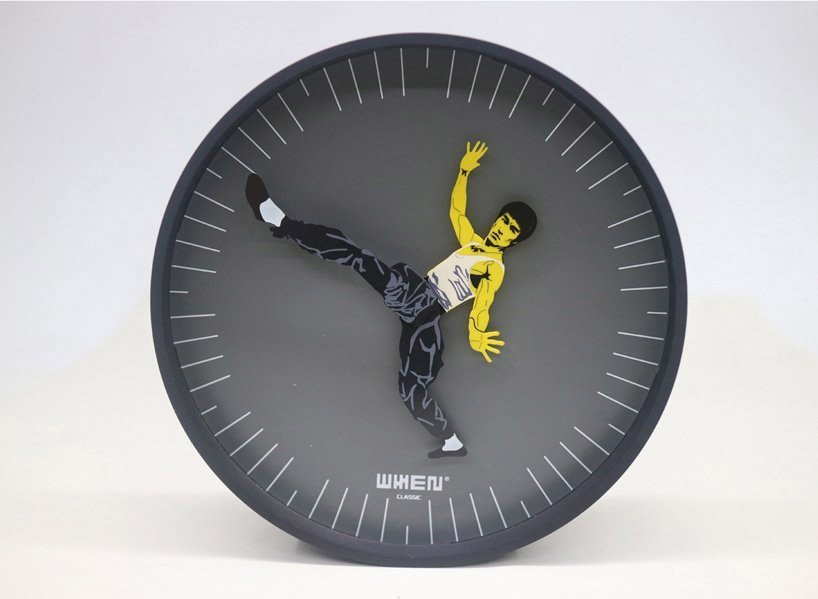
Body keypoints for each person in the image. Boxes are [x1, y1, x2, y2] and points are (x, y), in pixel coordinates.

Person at [245, 141, 537, 458]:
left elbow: (482, 306)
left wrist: (477, 334)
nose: (503, 229)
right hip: (419, 300)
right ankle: (282, 223)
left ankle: (450, 440)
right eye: (504, 221)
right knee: (359, 259)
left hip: (424, 304)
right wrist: (464, 172)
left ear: (515, 240)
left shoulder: (494, 267)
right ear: (497, 219)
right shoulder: (473, 244)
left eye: (511, 229)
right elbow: (457, 211)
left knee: (408, 384)